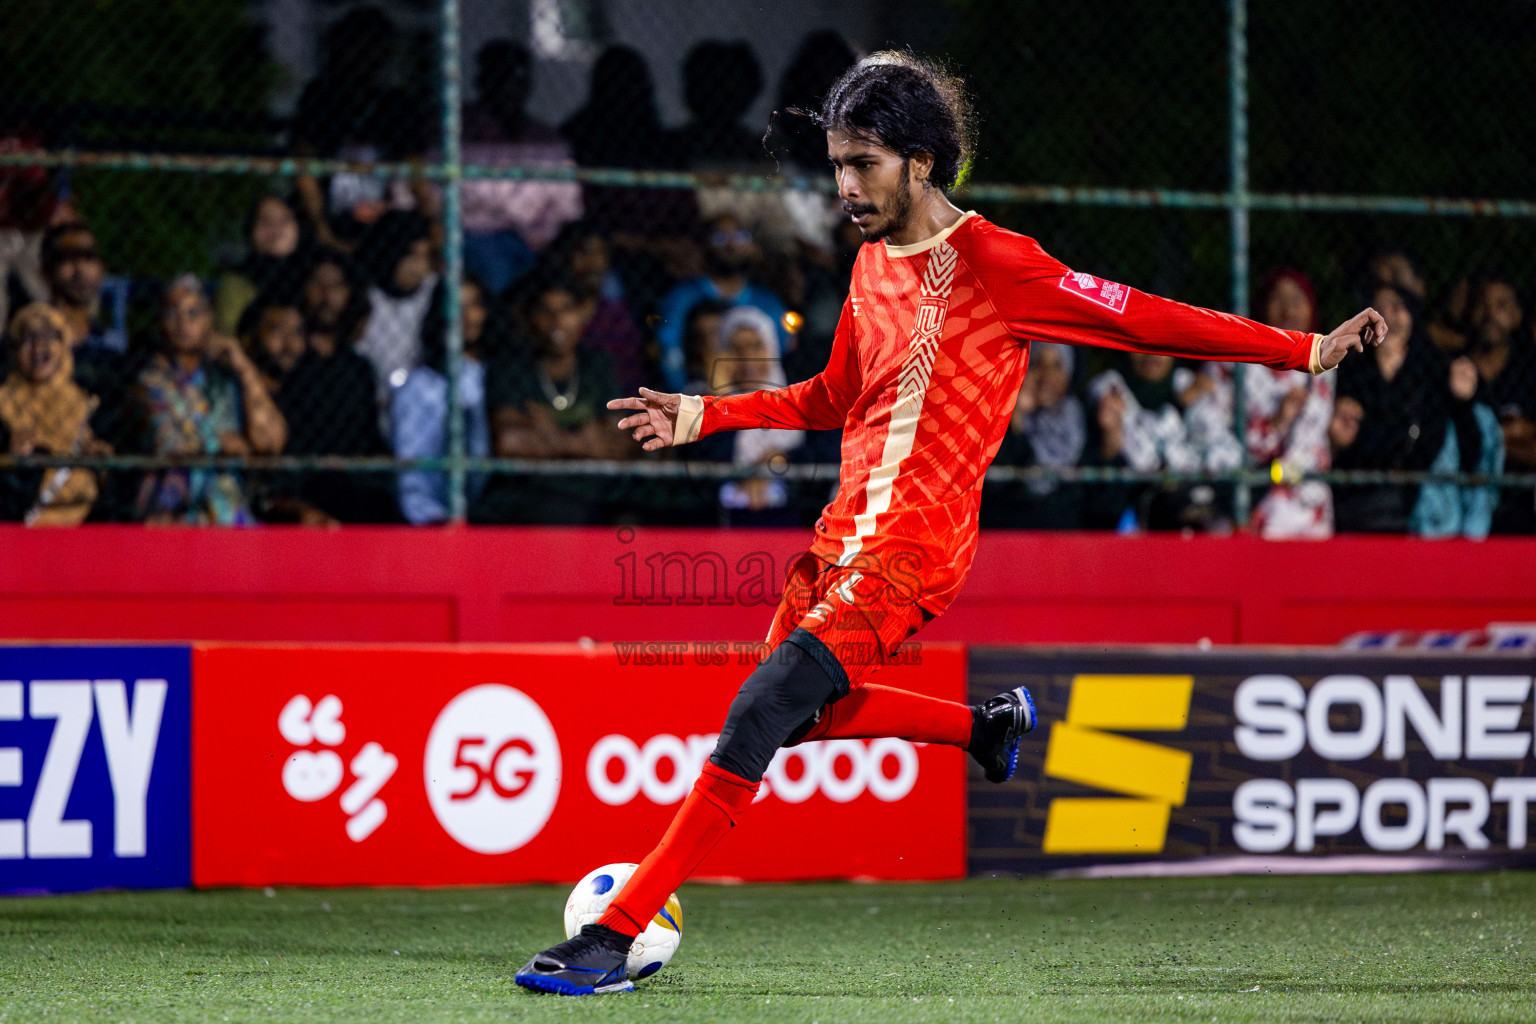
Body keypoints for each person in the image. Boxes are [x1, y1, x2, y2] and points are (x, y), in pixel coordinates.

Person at [514, 51, 1386, 995]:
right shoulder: (867, 264)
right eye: (839, 165)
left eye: (865, 165)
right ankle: (983, 729)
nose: (846, 186)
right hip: (842, 533)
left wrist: (1303, 349)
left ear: (922, 161)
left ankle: (616, 932)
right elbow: (834, 393)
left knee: (759, 710)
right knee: (798, 720)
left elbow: (1140, 318)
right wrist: (709, 413)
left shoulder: (997, 265)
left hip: (916, 548)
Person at [1333, 283, 1496, 534]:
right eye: (1379, 307)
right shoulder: (1348, 373)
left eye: (1397, 307)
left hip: (1422, 508)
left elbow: (1472, 457)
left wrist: (1463, 403)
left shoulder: (1435, 373)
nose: (1388, 314)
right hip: (1358, 501)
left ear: (1412, 318)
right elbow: (1350, 452)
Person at [134, 276, 286, 525]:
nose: (183, 322)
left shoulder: (226, 379)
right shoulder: (149, 379)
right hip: (171, 509)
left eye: (193, 313)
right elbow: (169, 441)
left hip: (225, 508)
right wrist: (223, 443)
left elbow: (270, 441)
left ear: (209, 319)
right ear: (160, 322)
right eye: (173, 313)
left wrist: (243, 366)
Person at [239, 287, 392, 524]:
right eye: (277, 330)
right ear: (250, 339)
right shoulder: (236, 389)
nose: (290, 344)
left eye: (298, 333)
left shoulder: (309, 392)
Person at [460, 40, 582, 296]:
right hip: (477, 235)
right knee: (497, 270)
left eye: (517, 78)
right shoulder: (457, 131)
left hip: (538, 240)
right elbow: (443, 195)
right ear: (482, 81)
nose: (508, 86)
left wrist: (543, 234)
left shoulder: (548, 140)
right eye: (499, 76)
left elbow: (567, 203)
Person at [686, 306, 804, 526]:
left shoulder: (798, 399)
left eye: (755, 347)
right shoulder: (697, 399)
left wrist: (779, 459)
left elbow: (816, 458)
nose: (747, 358)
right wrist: (720, 395)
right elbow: (711, 455)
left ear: (771, 349)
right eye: (736, 349)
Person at [392, 277, 492, 524]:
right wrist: (433, 519)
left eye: (475, 304)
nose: (467, 314)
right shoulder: (420, 387)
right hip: (438, 520)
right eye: (457, 305)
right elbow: (412, 474)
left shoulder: (495, 374)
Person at [0, 303, 110, 525]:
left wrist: (101, 461)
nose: (39, 344)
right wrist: (13, 458)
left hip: (84, 521)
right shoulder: (3, 401)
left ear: (64, 345)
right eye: (28, 336)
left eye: (50, 335)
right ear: (14, 349)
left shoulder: (87, 401)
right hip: (22, 522)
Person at [1247, 269, 1337, 539]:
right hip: (1261, 511)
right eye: (1279, 299)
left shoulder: (1331, 364)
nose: (1289, 309)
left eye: (1297, 299)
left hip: (1313, 511)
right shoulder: (1238, 366)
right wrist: (1277, 422)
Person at [654, 212, 786, 391]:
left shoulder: (768, 302)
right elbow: (670, 352)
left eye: (740, 237)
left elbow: (779, 352)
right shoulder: (682, 297)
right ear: (705, 244)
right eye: (720, 238)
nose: (731, 245)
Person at [980, 341, 1085, 529]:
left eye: (1056, 366)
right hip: (1002, 534)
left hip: (1059, 539)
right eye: (1038, 363)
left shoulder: (1082, 419)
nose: (1046, 375)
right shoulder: (998, 411)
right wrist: (1015, 416)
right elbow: (993, 485)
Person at [1463, 275, 1536, 533]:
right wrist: (1508, 435)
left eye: (1501, 305)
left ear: (1517, 317)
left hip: (1517, 503)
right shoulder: (1454, 368)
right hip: (1459, 499)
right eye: (1482, 304)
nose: (1490, 313)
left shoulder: (1528, 373)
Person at [354, 210, 438, 412]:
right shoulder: (362, 295)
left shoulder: (434, 291)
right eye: (411, 256)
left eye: (424, 256)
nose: (418, 267)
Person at [214, 194, 310, 336]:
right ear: (251, 230)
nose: (275, 229)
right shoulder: (237, 280)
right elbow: (226, 332)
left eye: (284, 220)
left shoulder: (313, 271)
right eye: (266, 221)